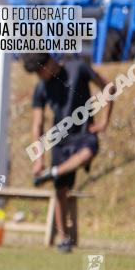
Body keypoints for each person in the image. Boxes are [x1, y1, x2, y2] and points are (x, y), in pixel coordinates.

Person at [22, 53, 112, 253]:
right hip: (60, 142)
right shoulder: (41, 88)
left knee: (88, 152)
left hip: (83, 134)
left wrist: (104, 121)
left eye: (39, 71)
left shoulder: (78, 68)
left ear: (49, 62)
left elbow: (109, 87)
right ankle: (63, 239)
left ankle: (54, 172)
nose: (39, 76)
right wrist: (38, 159)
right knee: (60, 192)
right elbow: (37, 124)